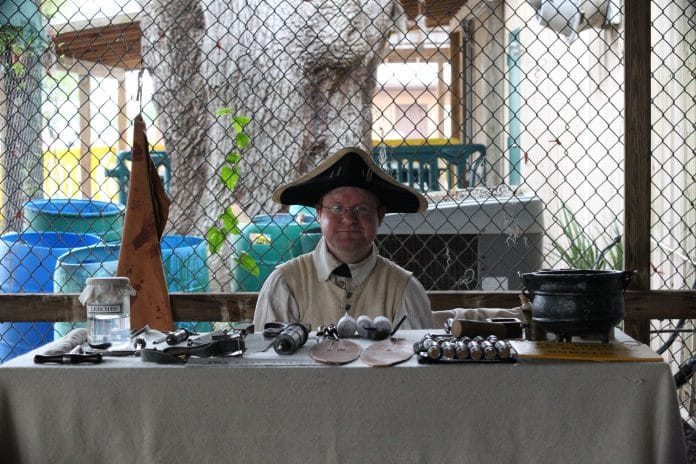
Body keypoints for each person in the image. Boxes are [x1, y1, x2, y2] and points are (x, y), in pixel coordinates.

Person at [253, 146, 434, 331]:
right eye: (337, 208)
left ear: (379, 216)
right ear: (319, 213)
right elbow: (267, 357)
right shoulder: (284, 285)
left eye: (361, 209)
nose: (348, 219)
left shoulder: (405, 290)